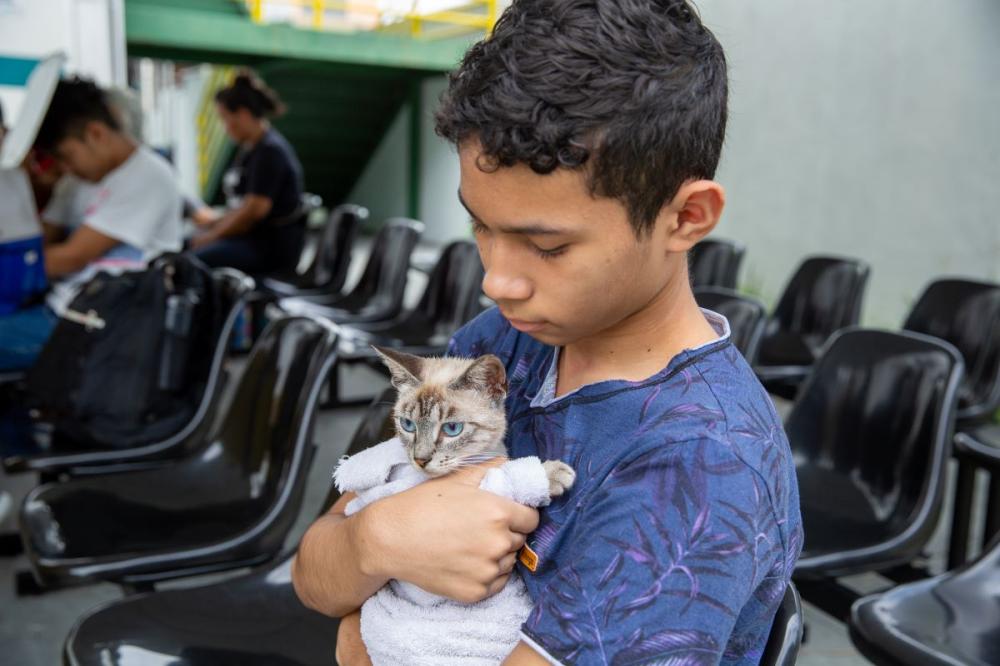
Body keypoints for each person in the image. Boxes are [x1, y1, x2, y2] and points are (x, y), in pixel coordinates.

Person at [292, 2, 803, 665]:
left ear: (686, 217)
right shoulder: (504, 342)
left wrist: (360, 627)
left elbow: (344, 610)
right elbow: (315, 573)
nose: (496, 281)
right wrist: (376, 540)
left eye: (548, 246)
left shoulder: (699, 464)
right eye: (480, 226)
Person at [0, 77, 182, 371]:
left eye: (66, 156)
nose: (64, 168)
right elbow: (41, 239)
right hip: (63, 308)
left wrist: (18, 263)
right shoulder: (77, 181)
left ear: (96, 134)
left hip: (101, 325)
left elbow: (70, 257)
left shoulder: (148, 176)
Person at [188, 70, 305, 274]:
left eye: (224, 118)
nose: (225, 128)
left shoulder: (270, 151)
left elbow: (252, 212)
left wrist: (211, 236)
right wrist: (215, 223)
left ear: (242, 114)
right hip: (251, 241)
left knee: (189, 263)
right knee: (185, 245)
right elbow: (240, 207)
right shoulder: (252, 149)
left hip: (267, 248)